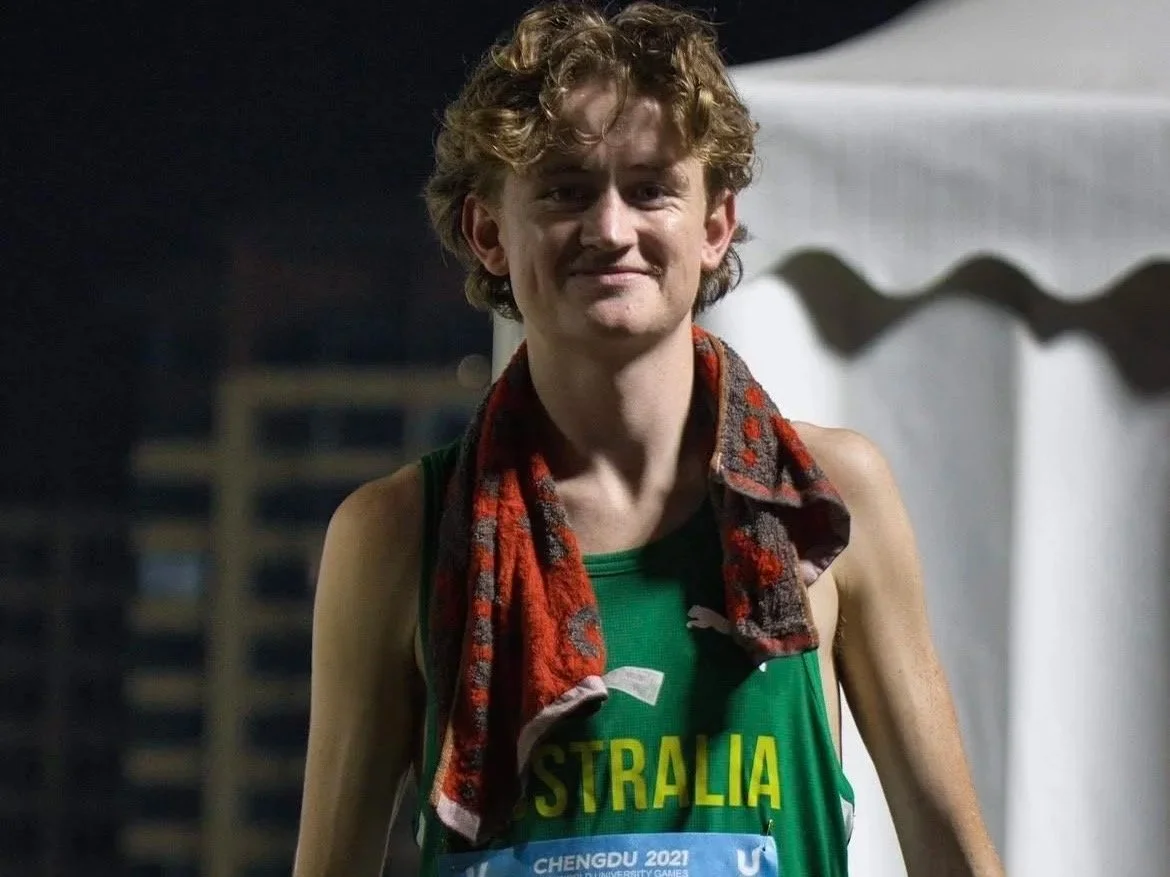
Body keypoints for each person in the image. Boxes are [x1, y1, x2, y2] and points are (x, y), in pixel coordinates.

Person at [293, 3, 1003, 876]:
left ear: (714, 226)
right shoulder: (400, 530)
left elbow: (956, 858)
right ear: (488, 233)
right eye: (564, 189)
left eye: (651, 187)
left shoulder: (823, 497)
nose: (611, 228)